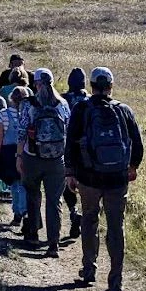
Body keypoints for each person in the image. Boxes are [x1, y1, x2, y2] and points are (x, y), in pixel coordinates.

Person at [65, 66, 143, 291]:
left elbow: (71, 142)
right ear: (111, 86)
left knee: (89, 221)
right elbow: (137, 144)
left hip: (88, 178)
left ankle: (89, 270)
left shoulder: (81, 109)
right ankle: (115, 282)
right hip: (118, 179)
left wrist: (70, 172)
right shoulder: (124, 110)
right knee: (116, 227)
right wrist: (132, 167)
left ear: (91, 86)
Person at [17, 68, 70, 257]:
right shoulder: (63, 104)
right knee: (54, 202)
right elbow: (68, 133)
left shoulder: (29, 105)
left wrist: (19, 156)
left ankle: (32, 234)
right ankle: (53, 244)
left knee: (33, 195)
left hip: (32, 157)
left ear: (36, 84)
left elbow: (22, 132)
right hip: (57, 160)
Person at [0, 86, 29, 226]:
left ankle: (17, 213)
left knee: (14, 184)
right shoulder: (29, 114)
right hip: (26, 152)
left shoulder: (3, 114)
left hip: (8, 152)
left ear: (11, 99)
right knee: (24, 184)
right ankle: (25, 211)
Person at [61, 68, 90, 238]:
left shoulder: (64, 99)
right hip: (89, 150)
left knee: (68, 184)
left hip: (68, 147)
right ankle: (87, 216)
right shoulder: (90, 100)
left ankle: (73, 211)